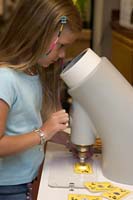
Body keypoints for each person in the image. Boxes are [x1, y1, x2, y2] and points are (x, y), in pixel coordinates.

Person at [0, 0, 82, 199]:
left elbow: (25, 127)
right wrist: (45, 132)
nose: (62, 54)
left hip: (28, 180)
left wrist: (64, 139)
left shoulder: (34, 72)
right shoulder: (5, 78)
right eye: (60, 46)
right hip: (9, 187)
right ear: (38, 34)